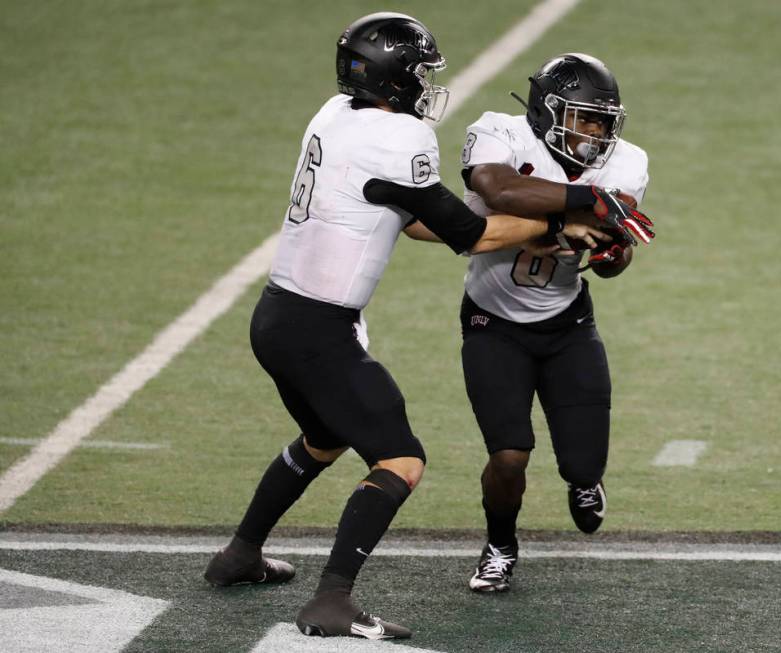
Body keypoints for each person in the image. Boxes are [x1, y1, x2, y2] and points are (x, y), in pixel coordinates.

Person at [202, 14, 624, 641]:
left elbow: (408, 217)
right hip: (319, 328)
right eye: (421, 71)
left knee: (323, 437)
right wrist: (567, 216)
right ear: (392, 75)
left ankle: (240, 554)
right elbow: (471, 234)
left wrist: (547, 224)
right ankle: (332, 600)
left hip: (279, 316)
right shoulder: (399, 139)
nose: (426, 82)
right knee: (401, 459)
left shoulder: (335, 114)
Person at [458, 53, 654, 592]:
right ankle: (500, 545)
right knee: (509, 453)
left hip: (568, 324)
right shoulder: (499, 132)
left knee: (583, 464)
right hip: (491, 322)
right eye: (583, 117)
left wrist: (615, 254)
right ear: (547, 111)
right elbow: (498, 189)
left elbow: (616, 245)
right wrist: (585, 203)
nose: (594, 132)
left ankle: (585, 481)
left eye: (603, 121)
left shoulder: (626, 162)